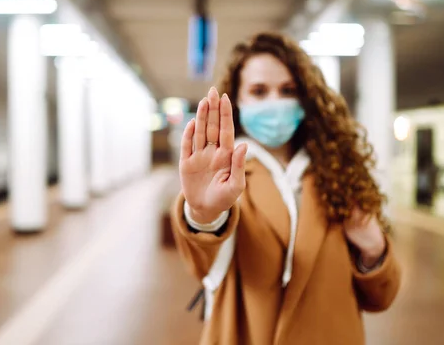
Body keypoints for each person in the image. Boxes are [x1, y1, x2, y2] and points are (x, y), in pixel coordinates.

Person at [171, 32, 401, 345]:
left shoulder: (340, 171)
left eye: (288, 90)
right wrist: (203, 213)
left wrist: (374, 250)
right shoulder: (222, 173)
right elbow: (202, 264)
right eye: (259, 91)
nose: (275, 102)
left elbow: (381, 298)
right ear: (238, 99)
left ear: (305, 98)